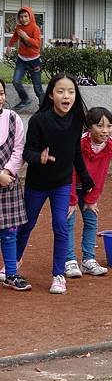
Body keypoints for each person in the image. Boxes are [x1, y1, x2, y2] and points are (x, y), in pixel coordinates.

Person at [17, 73, 95, 294]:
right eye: (60, 91)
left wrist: (85, 177)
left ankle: (58, 275)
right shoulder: (39, 120)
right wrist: (38, 157)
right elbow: (27, 152)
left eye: (70, 91)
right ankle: (13, 265)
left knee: (61, 225)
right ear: (51, 95)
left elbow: (75, 153)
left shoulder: (77, 119)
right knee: (27, 224)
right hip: (37, 183)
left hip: (62, 183)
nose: (66, 96)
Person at [64, 107, 112, 278]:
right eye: (100, 126)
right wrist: (71, 200)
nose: (105, 131)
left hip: (89, 189)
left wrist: (92, 198)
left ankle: (88, 260)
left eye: (109, 126)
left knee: (91, 221)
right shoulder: (78, 143)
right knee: (68, 221)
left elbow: (102, 172)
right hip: (69, 186)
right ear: (89, 126)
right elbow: (70, 172)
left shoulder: (111, 145)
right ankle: (69, 260)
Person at [0, 79, 30, 290]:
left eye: (1, 93)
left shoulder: (13, 118)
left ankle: (11, 274)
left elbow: (19, 149)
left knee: (9, 231)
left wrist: (8, 171)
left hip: (8, 182)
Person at [4, 7, 44, 111]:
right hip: (22, 60)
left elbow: (37, 44)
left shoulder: (35, 28)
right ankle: (25, 99)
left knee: (37, 87)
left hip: (34, 61)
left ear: (30, 16)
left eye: (26, 16)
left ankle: (43, 107)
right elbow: (14, 37)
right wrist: (9, 46)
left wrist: (26, 37)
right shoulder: (19, 28)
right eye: (21, 17)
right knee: (16, 81)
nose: (23, 19)